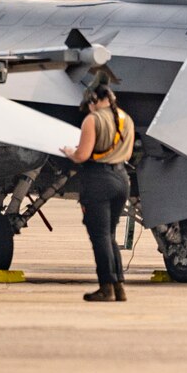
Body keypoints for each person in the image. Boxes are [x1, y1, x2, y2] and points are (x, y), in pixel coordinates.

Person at [62, 84, 135, 302]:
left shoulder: (92, 120)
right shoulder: (126, 119)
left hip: (98, 180)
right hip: (122, 179)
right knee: (109, 235)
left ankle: (106, 288)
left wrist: (69, 152)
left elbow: (83, 155)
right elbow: (128, 152)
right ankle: (119, 286)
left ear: (94, 100)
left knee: (100, 237)